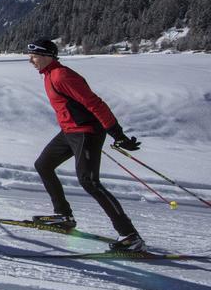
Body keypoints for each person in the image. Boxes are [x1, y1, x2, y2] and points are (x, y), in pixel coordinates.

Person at [25, 39, 145, 252]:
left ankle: (130, 236)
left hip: (85, 133)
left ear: (46, 56)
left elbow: (95, 103)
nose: (30, 60)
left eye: (33, 56)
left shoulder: (62, 76)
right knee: (43, 165)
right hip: (70, 132)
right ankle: (64, 216)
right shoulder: (49, 75)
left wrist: (117, 134)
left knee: (89, 182)